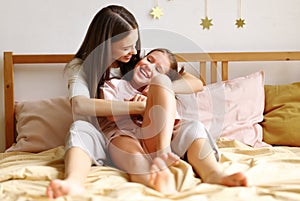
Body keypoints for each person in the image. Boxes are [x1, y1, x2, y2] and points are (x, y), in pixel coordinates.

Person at [46, 5, 203, 198]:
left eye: (135, 44)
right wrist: (137, 106)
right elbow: (80, 104)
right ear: (106, 44)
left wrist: (159, 88)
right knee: (79, 128)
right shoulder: (81, 68)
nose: (134, 51)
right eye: (126, 46)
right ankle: (73, 182)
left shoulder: (138, 61)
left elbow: (196, 83)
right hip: (106, 135)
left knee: (190, 126)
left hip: (143, 133)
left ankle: (163, 172)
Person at [101, 48, 248, 194]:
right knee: (123, 144)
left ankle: (212, 173)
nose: (149, 66)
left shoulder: (162, 90)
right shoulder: (115, 84)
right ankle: (150, 179)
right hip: (128, 134)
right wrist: (135, 107)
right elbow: (110, 115)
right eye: (149, 59)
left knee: (193, 128)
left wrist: (156, 91)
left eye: (158, 69)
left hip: (160, 140)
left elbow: (172, 122)